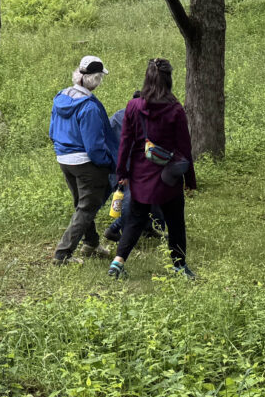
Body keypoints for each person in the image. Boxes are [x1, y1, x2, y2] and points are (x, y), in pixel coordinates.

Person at [108, 59, 195, 281]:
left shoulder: (133, 106)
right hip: (168, 178)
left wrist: (122, 174)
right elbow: (184, 147)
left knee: (135, 220)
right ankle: (179, 266)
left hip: (140, 176)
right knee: (175, 222)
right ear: (169, 80)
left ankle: (117, 262)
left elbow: (125, 143)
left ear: (147, 79)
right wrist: (190, 179)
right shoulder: (175, 109)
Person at [49, 55, 118, 263]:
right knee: (86, 208)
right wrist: (107, 162)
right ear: (95, 79)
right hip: (85, 162)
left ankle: (91, 244)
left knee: (81, 203)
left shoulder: (61, 97)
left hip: (64, 159)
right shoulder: (89, 107)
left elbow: (52, 131)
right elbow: (94, 146)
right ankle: (62, 254)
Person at [103, 96, 165, 244]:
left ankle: (147, 228)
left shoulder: (133, 117)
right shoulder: (122, 120)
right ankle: (118, 232)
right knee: (132, 202)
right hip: (126, 168)